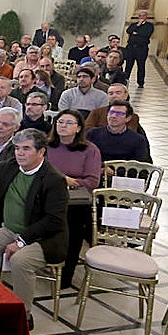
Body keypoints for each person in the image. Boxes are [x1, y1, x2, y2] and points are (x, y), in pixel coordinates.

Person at [0, 129, 69, 327]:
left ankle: (23, 315)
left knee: (21, 261)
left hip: (44, 238)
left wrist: (21, 241)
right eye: (16, 148)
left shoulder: (53, 179)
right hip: (10, 229)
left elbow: (53, 220)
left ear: (41, 152)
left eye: (26, 148)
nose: (19, 153)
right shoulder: (12, 166)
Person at [46, 109, 103, 290]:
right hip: (47, 196)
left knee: (73, 226)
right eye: (60, 122)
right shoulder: (47, 146)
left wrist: (67, 181)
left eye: (69, 123)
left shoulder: (89, 150)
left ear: (78, 128)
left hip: (74, 200)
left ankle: (66, 273)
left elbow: (92, 182)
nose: (63, 126)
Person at [87, 100, 152, 162]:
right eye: (111, 112)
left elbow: (140, 165)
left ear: (128, 118)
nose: (113, 116)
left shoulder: (138, 140)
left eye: (119, 113)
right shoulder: (92, 134)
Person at [124, 9, 154, 88]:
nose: (141, 17)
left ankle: (140, 82)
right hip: (131, 48)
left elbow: (146, 34)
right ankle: (125, 80)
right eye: (140, 16)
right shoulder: (134, 24)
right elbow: (129, 31)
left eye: (143, 16)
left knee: (141, 65)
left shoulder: (149, 26)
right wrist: (137, 26)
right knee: (128, 65)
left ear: (146, 17)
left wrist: (136, 33)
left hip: (141, 48)